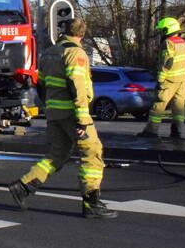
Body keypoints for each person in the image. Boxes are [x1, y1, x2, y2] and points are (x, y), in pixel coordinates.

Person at [8, 18, 117, 219]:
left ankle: (23, 186)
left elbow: (41, 85)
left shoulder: (49, 53)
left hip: (54, 113)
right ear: (82, 35)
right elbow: (78, 86)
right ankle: (91, 203)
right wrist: (82, 119)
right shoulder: (76, 53)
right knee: (92, 153)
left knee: (58, 154)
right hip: (72, 114)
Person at [138, 17, 185, 139]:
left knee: (158, 105)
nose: (161, 33)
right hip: (182, 80)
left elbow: (167, 62)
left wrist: (161, 79)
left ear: (167, 29)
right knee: (178, 107)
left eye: (162, 30)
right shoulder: (183, 43)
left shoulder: (168, 43)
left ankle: (151, 131)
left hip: (169, 80)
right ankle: (177, 131)